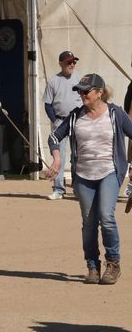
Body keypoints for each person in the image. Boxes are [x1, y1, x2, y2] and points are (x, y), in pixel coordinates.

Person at [48, 73, 132, 285]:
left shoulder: (116, 114)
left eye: (86, 91)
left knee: (106, 216)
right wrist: (57, 159)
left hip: (109, 172)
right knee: (88, 223)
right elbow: (54, 136)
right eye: (79, 91)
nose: (82, 95)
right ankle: (92, 267)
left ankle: (113, 263)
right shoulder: (76, 116)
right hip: (84, 175)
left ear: (99, 92)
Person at [44, 50, 82, 200]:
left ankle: (78, 189)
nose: (72, 64)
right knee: (59, 155)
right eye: (69, 62)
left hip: (78, 120)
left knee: (78, 156)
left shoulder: (80, 79)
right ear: (61, 63)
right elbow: (47, 105)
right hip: (60, 121)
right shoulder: (53, 81)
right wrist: (55, 121)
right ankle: (58, 189)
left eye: (74, 62)